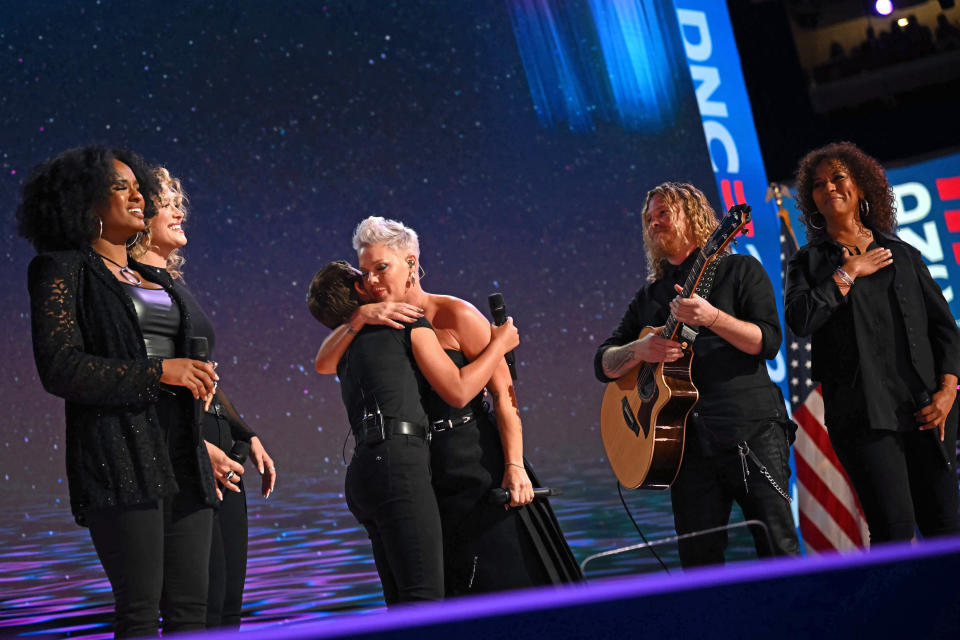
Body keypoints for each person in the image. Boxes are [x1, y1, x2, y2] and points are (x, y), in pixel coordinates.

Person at [315, 217, 582, 594]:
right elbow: (323, 363)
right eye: (365, 271)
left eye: (381, 268)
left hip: (478, 466)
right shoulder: (377, 323)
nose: (372, 281)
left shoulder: (454, 314)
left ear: (411, 263)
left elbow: (506, 398)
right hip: (423, 477)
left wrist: (515, 465)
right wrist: (359, 315)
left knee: (508, 585)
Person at [17, 146, 219, 637]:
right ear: (85, 203)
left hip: (183, 456)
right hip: (122, 459)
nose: (137, 195)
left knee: (193, 614)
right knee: (140, 614)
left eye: (138, 186)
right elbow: (61, 369)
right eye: (120, 187)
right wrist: (159, 373)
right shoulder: (62, 269)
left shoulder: (155, 277)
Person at [594, 182, 799, 568]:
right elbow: (603, 363)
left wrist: (713, 318)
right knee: (699, 565)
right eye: (649, 218)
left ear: (694, 217)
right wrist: (640, 350)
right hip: (684, 447)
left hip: (750, 433)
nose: (655, 223)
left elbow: (768, 341)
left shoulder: (740, 270)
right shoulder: (649, 297)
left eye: (664, 213)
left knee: (778, 548)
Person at [308, 260, 521, 604]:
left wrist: (358, 318)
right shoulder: (405, 320)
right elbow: (458, 390)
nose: (374, 279)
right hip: (399, 464)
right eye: (365, 275)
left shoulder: (345, 345)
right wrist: (500, 344)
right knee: (425, 599)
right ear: (360, 290)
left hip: (362, 472)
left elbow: (320, 363)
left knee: (400, 598)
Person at [785, 141, 960, 544]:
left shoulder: (903, 253)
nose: (829, 187)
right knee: (893, 532)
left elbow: (946, 330)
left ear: (861, 188)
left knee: (946, 529)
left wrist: (948, 391)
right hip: (863, 419)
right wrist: (847, 273)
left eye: (838, 178)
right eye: (818, 184)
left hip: (929, 409)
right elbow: (799, 320)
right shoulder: (808, 263)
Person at [129, 167, 277, 628]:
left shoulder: (172, 286)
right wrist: (195, 447)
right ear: (140, 216)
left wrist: (243, 432)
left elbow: (203, 377)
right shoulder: (129, 287)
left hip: (218, 446)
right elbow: (142, 382)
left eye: (178, 201)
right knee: (198, 607)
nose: (179, 211)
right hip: (187, 450)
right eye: (167, 203)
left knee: (228, 603)